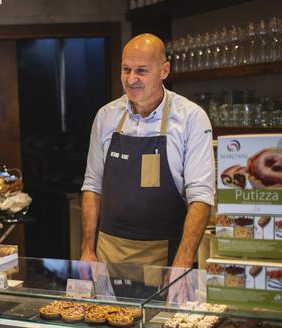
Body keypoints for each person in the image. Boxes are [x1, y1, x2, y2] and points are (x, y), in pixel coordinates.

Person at [81, 33, 214, 269]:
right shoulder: (106, 116)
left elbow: (201, 197)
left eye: (141, 71)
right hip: (107, 252)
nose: (131, 79)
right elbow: (93, 186)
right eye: (126, 69)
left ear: (164, 71)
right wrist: (87, 249)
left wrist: (182, 263)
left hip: (166, 257)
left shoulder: (191, 118)